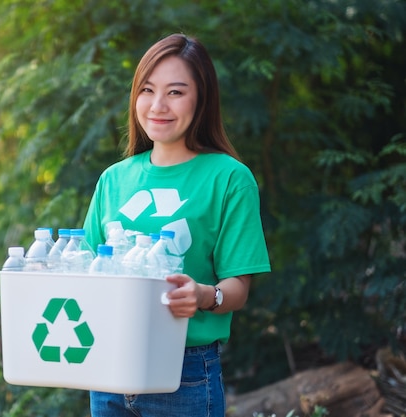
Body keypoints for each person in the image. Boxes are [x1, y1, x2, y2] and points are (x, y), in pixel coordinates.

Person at [82, 33, 271, 417]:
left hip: (184, 371)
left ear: (202, 98)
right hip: (107, 363)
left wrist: (204, 295)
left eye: (175, 92)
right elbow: (88, 272)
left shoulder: (229, 178)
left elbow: (238, 287)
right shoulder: (113, 180)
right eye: (148, 90)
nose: (157, 106)